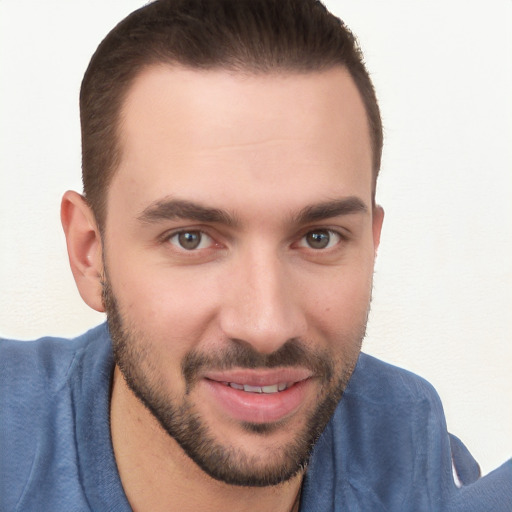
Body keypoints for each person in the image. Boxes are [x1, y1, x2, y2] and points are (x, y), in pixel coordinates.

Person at [0, 0, 510, 510]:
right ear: (91, 254)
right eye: (191, 239)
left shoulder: (413, 445)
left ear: (371, 243)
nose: (267, 326)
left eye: (319, 238)